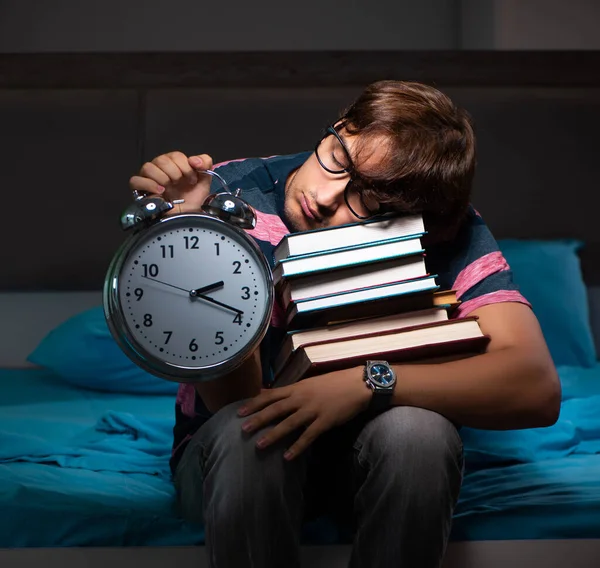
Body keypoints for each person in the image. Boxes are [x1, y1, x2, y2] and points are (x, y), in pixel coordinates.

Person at [129, 80, 561, 568]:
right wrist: (200, 230)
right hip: (233, 452)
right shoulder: (223, 192)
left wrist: (368, 384)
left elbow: (537, 386)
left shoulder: (441, 229)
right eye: (339, 156)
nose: (329, 196)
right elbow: (236, 404)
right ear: (341, 125)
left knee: (420, 432)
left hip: (374, 459)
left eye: (371, 205)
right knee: (250, 436)